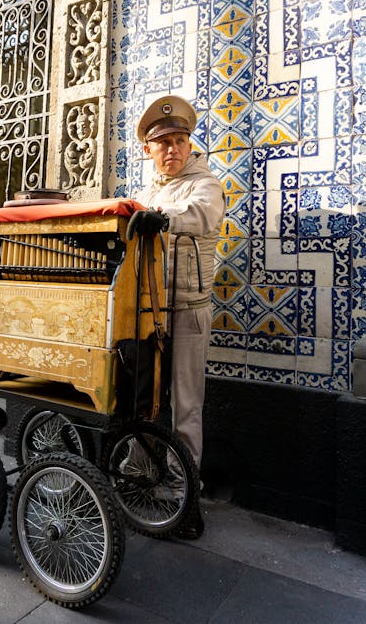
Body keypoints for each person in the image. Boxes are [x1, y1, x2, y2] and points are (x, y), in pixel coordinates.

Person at [128, 95, 225, 538]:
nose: (173, 149)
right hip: (148, 312)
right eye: (163, 142)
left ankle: (183, 492)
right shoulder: (145, 193)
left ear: (190, 146)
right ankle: (139, 472)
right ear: (147, 150)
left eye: (180, 140)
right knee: (144, 398)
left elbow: (201, 215)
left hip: (187, 309)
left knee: (186, 405)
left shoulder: (204, 183)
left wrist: (156, 216)